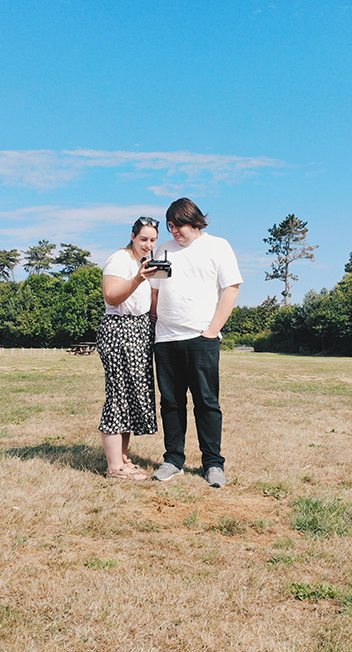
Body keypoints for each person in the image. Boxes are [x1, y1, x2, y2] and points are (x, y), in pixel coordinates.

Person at [149, 198, 242, 488]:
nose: (174, 230)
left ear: (195, 221)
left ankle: (213, 464)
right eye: (170, 225)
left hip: (202, 338)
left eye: (179, 225)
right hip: (166, 338)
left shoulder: (218, 246)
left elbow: (231, 288)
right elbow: (155, 289)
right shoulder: (163, 249)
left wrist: (213, 330)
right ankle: (173, 460)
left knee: (206, 403)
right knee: (171, 403)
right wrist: (155, 320)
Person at [96, 216, 161, 481]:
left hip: (140, 331)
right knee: (118, 394)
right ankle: (114, 467)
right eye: (144, 239)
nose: (148, 245)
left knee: (132, 395)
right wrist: (137, 279)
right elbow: (111, 295)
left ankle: (123, 459)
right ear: (133, 236)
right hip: (119, 330)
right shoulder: (120, 260)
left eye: (153, 240)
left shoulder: (142, 262)